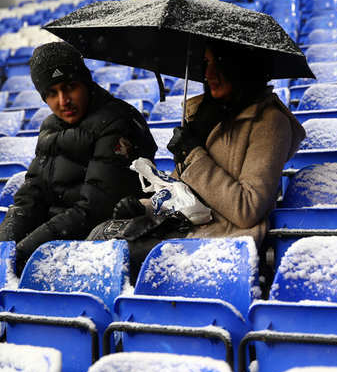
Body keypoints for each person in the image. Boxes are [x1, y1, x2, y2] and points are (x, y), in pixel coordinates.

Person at [91, 41, 305, 279]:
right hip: (182, 229)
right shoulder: (205, 114)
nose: (208, 74)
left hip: (223, 240)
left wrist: (193, 154)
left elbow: (248, 209)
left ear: (243, 67)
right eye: (206, 64)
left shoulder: (270, 123)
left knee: (110, 257)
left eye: (219, 64)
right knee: (99, 237)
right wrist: (145, 206)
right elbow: (182, 193)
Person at [0, 42, 157, 272]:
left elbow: (96, 208)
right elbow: (31, 196)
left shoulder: (118, 121)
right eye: (52, 93)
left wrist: (24, 251)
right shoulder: (50, 127)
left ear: (85, 82)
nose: (63, 101)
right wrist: (5, 247)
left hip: (98, 248)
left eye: (70, 87)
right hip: (54, 242)